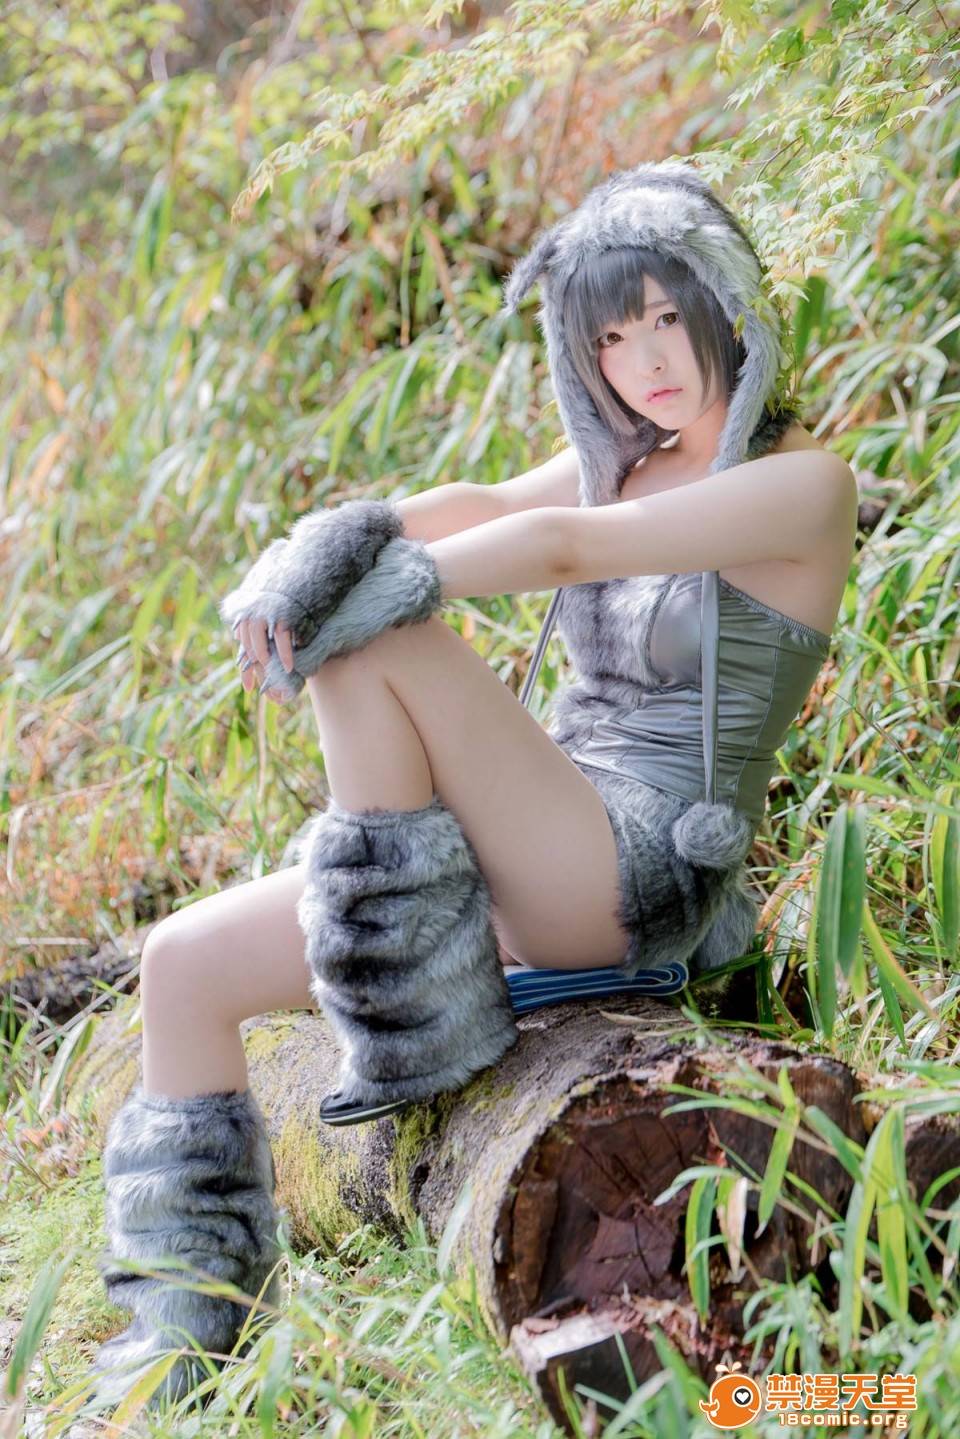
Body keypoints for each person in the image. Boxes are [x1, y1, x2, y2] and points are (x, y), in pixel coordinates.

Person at [85, 159, 857, 1411]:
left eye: (668, 315)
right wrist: (320, 553)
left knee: (375, 640)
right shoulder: (630, 458)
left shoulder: (802, 483)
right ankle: (187, 1348)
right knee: (182, 963)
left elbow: (560, 545)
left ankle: (417, 1006)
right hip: (531, 843)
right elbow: (486, 502)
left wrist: (371, 594)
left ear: (729, 303)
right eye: (610, 337)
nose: (647, 360)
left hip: (642, 864)